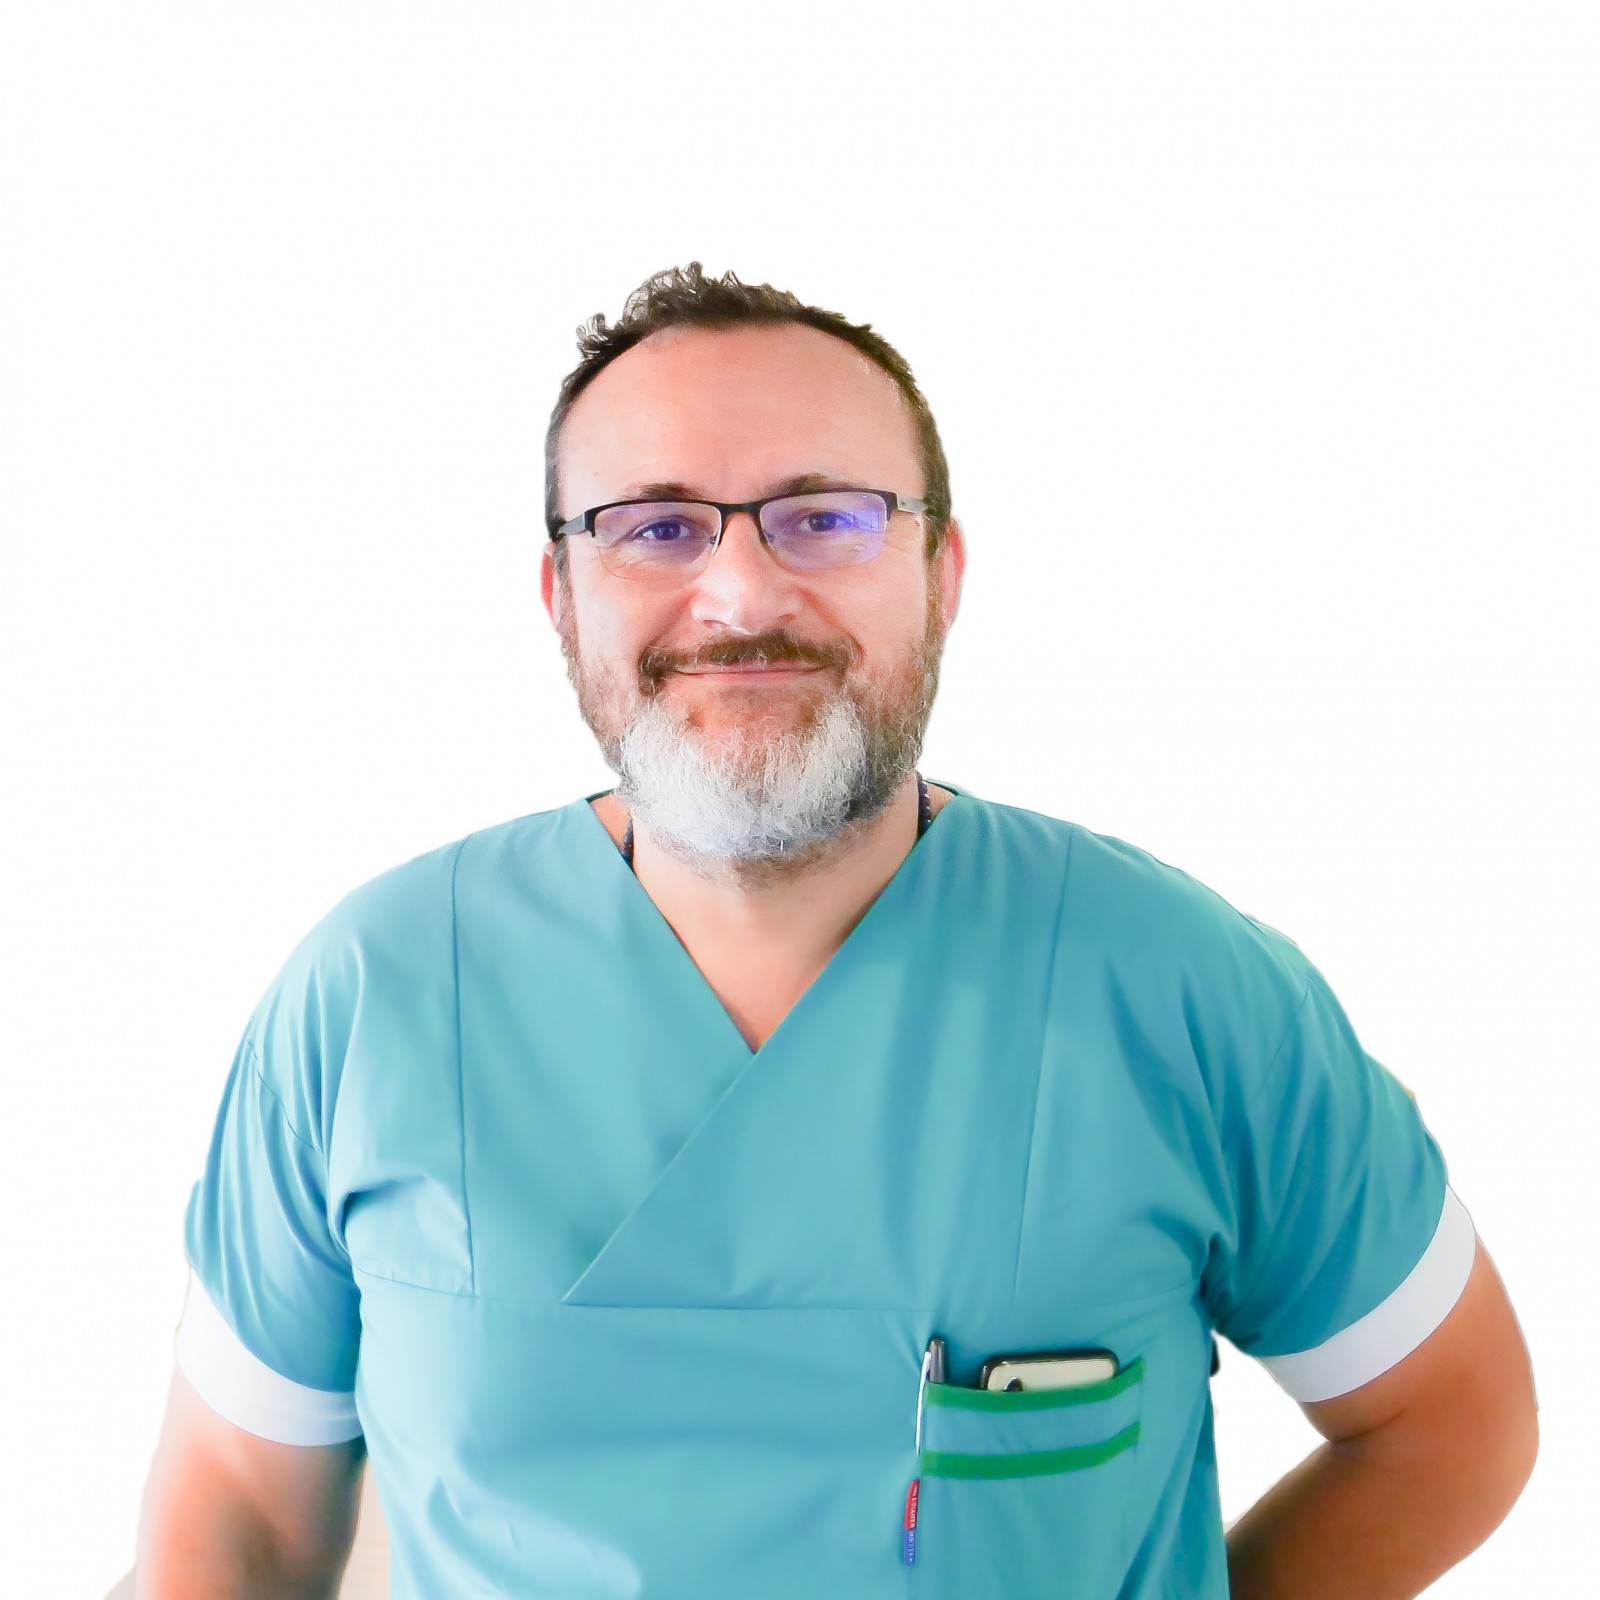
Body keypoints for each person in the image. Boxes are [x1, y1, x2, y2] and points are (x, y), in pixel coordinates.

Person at [135, 264, 1537, 1599]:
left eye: (827, 518)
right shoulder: (374, 998)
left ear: (940, 571)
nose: (743, 597)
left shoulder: (1181, 989)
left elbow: (1450, 1419)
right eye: (655, 526)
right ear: (562, 597)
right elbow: (240, 1509)